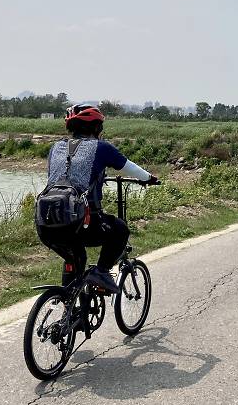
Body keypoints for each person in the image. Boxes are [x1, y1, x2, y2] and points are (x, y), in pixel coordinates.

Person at [37, 104, 158, 293]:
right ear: (96, 127)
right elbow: (130, 168)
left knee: (75, 258)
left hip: (46, 225)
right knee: (120, 230)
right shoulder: (101, 148)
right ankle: (101, 272)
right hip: (82, 225)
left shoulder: (56, 147)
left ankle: (69, 306)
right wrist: (150, 179)